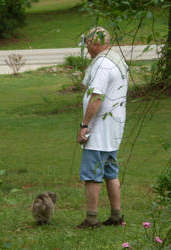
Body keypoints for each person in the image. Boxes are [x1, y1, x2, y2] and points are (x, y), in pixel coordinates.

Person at [77, 27, 128, 229]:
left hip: (100, 130)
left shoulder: (103, 65)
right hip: (114, 128)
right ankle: (116, 216)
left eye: (88, 44)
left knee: (92, 175)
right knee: (111, 172)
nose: (87, 49)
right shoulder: (116, 60)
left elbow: (97, 97)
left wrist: (84, 125)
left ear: (94, 43)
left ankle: (91, 219)